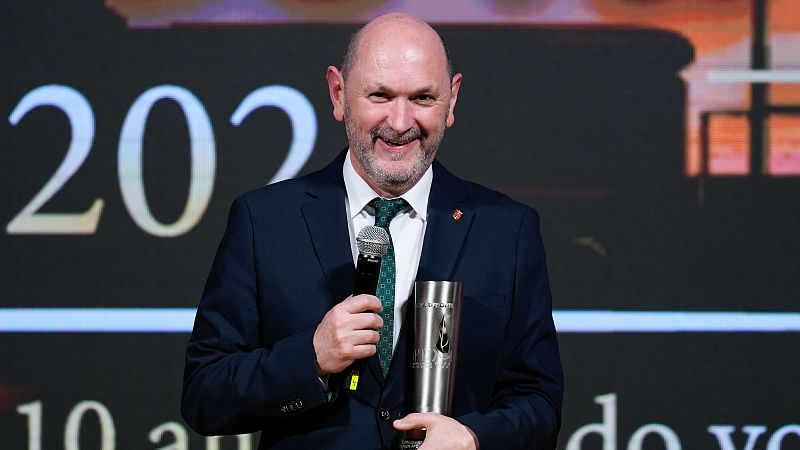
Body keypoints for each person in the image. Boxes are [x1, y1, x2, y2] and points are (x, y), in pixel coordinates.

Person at [182, 12, 563, 450]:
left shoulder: (506, 230)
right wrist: (312, 358)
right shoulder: (264, 221)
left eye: (422, 98)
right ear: (339, 93)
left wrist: (474, 439)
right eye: (380, 95)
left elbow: (539, 403)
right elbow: (204, 396)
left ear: (452, 100)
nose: (400, 123)